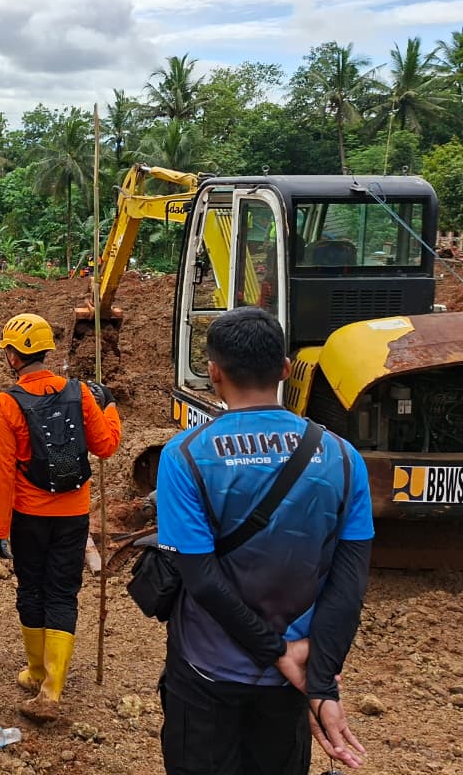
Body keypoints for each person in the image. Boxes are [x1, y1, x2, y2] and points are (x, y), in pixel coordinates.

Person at [156, 307, 373, 774]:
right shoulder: (343, 456)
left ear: (213, 372)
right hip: (290, 683)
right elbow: (349, 581)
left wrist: (276, 655)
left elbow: (204, 582)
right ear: (285, 370)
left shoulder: (185, 456)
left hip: (205, 672)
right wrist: (318, 683)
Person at [0, 313, 121, 723]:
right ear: (46, 350)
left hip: (29, 515)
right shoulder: (80, 394)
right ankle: (53, 688)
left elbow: (1, 472)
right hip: (74, 513)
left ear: (13, 356)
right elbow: (107, 446)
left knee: (32, 589)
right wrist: (108, 404)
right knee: (63, 591)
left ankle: (37, 671)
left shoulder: (6, 403)